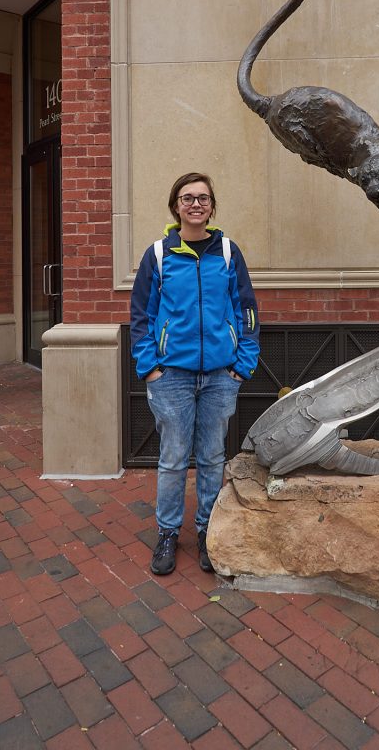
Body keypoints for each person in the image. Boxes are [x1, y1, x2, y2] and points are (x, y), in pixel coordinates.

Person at [130, 172, 260, 575]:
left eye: (203, 198)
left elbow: (248, 311)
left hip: (221, 375)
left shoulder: (227, 252)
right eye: (188, 198)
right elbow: (140, 317)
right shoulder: (158, 254)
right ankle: (168, 532)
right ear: (176, 206)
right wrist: (150, 369)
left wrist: (243, 365)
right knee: (171, 459)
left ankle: (206, 530)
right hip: (172, 376)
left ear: (211, 206)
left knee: (211, 457)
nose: (196, 204)